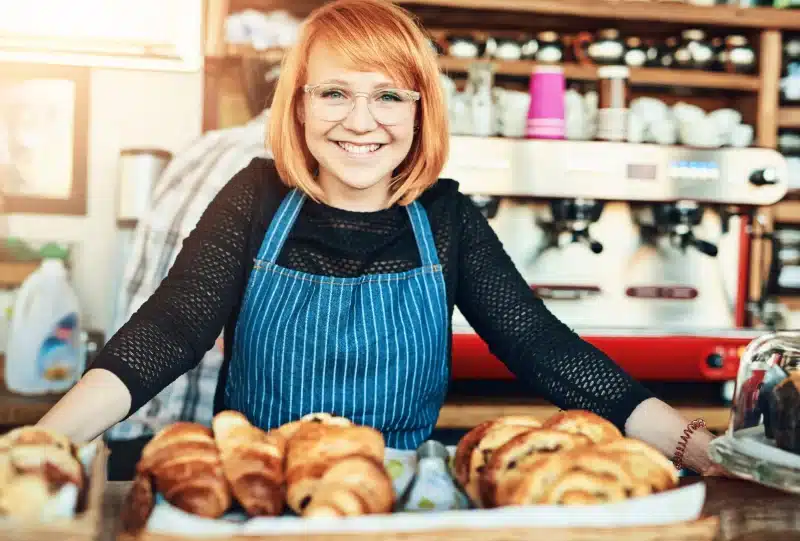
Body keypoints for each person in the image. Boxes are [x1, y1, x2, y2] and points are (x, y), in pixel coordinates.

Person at [38, 0, 723, 475]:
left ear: (420, 111)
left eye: (389, 95)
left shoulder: (447, 218)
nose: (361, 121)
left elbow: (541, 345)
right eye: (335, 93)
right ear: (299, 105)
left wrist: (693, 444)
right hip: (258, 495)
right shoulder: (254, 196)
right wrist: (42, 442)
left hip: (394, 501)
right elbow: (171, 328)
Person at [103, 110, 273, 480]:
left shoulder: (202, 147)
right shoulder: (277, 169)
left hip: (125, 416)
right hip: (203, 443)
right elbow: (206, 322)